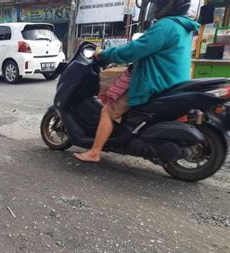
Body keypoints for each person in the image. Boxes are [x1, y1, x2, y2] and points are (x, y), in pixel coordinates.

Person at [74, 0, 198, 163]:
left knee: (108, 111)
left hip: (156, 82)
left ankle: (94, 152)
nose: (156, 7)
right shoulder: (184, 26)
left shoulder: (166, 26)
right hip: (173, 81)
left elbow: (133, 50)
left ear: (168, 5)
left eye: (159, 4)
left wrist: (105, 55)